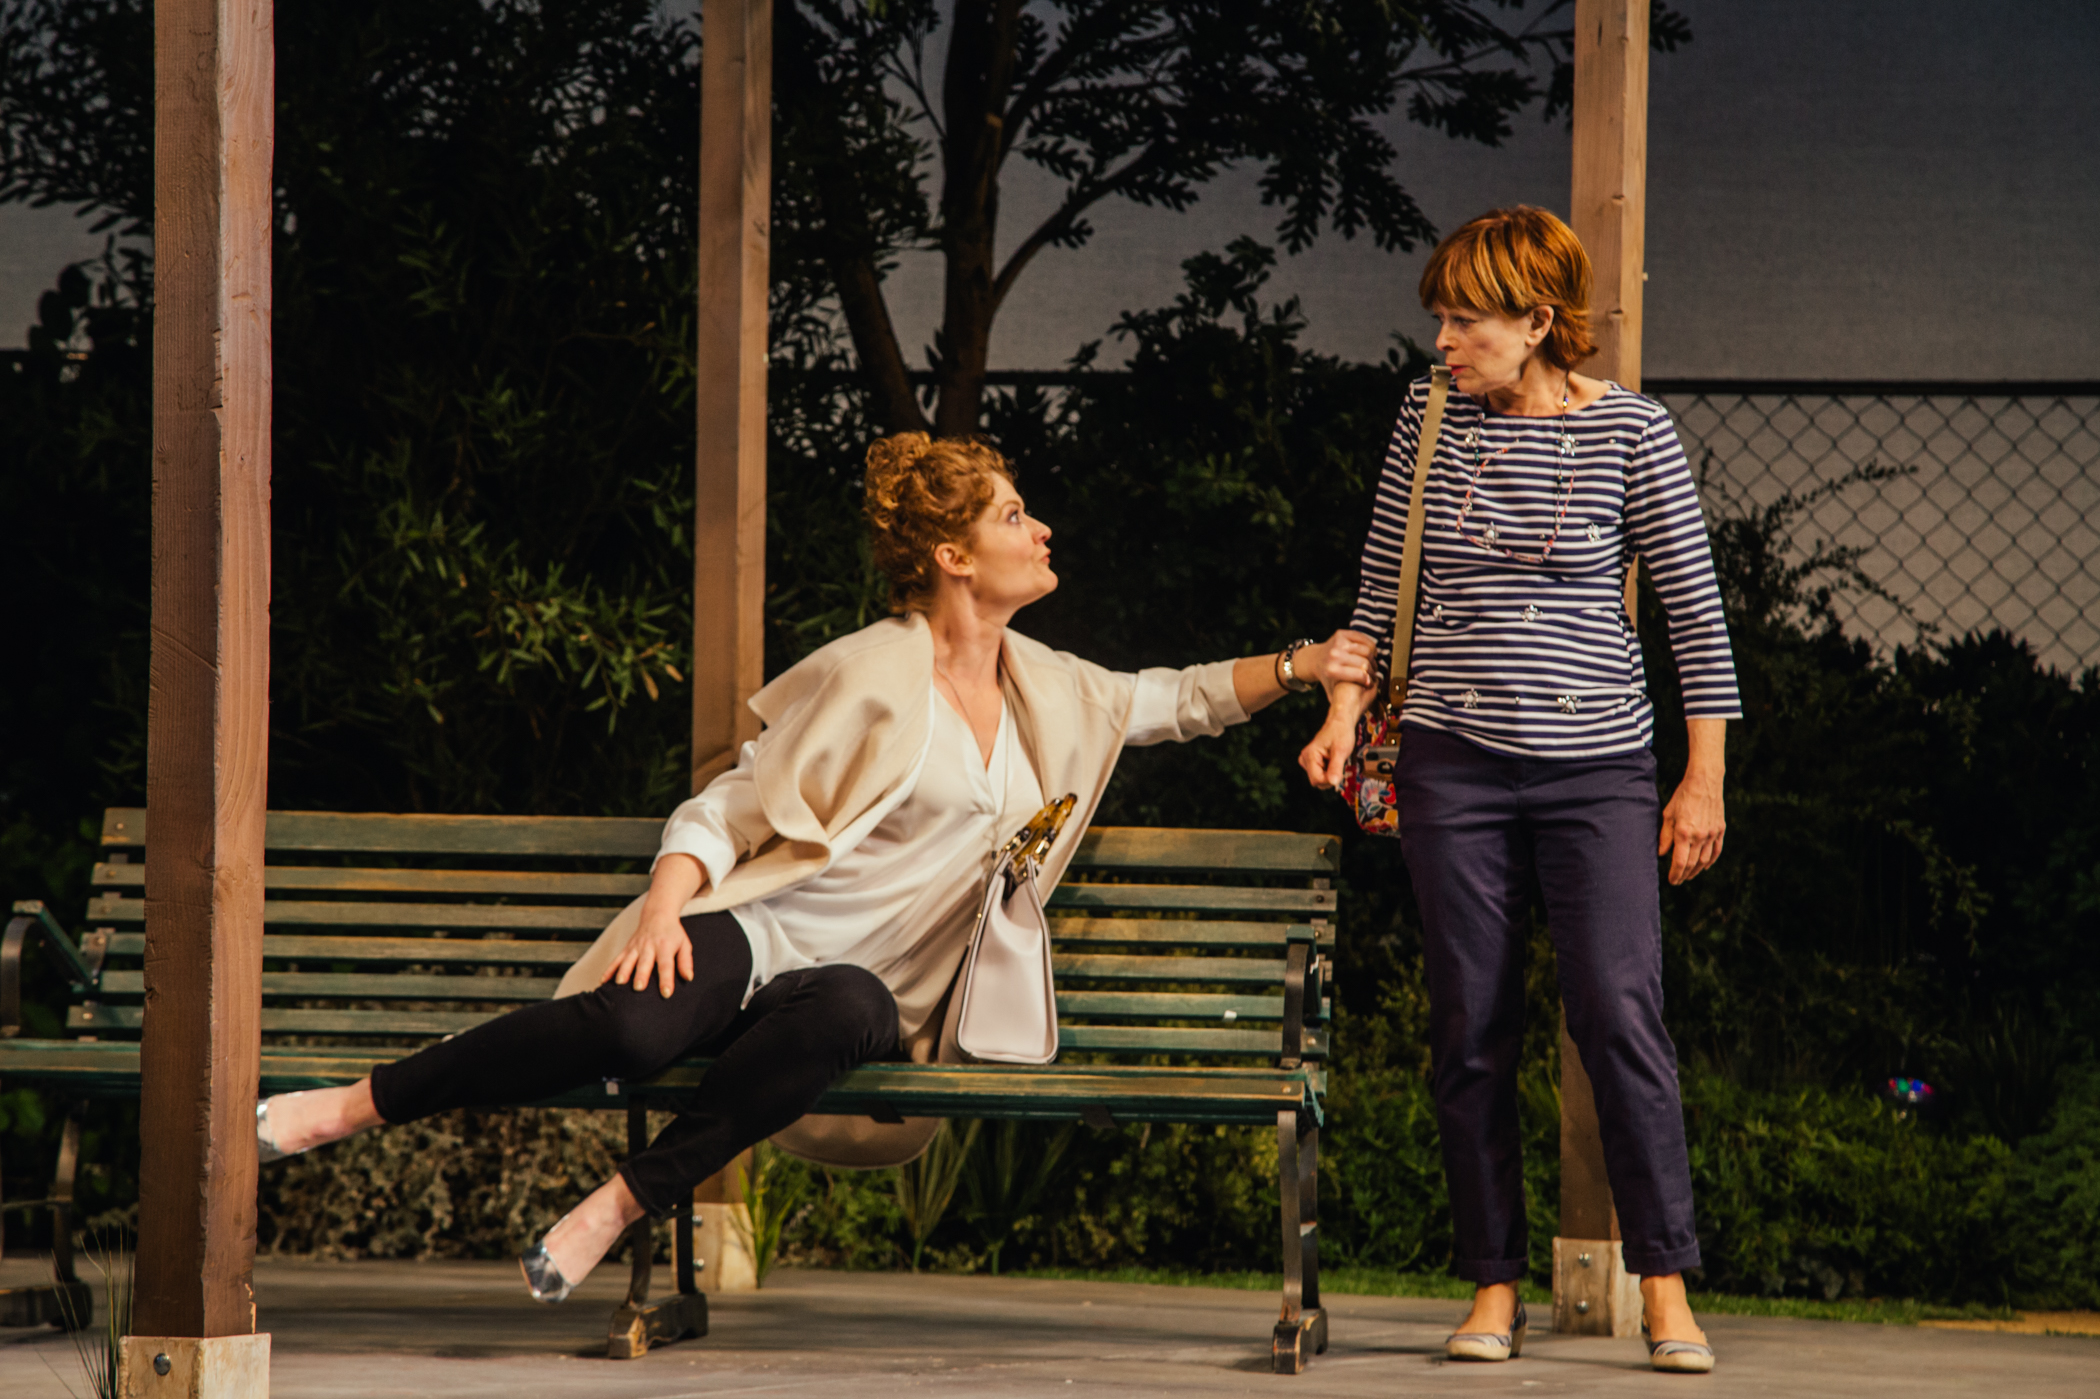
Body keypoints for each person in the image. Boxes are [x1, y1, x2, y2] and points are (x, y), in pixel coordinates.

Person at [256, 431, 1375, 1303]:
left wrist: (1300, 662)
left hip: (858, 991)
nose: (1040, 531)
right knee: (626, 1030)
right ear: (952, 557)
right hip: (761, 931)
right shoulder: (870, 674)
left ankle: (622, 1202)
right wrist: (664, 903)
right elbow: (732, 802)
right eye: (1014, 516)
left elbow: (1173, 697)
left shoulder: (1053, 689)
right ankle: (356, 1103)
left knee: (847, 1005)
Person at [1299, 206, 1738, 1375]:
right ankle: (1494, 1284)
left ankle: (1666, 1283)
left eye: (1465, 318)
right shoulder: (1427, 417)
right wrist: (1344, 712)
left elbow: (1696, 621)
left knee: (1617, 1012)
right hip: (1454, 763)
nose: (1443, 339)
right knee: (1473, 1024)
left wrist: (1704, 780)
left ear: (1539, 319)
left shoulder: (1637, 433)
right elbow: (1380, 584)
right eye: (1438, 317)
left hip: (1600, 768)